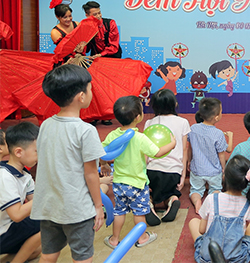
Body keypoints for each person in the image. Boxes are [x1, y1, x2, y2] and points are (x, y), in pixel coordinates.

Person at [32, 64, 106, 263]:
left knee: (48, 255)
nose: (91, 92)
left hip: (48, 206)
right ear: (81, 97)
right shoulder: (86, 131)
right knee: (82, 257)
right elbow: (91, 173)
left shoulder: (46, 125)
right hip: (77, 209)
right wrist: (98, 206)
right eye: (90, 89)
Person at [100, 96, 176, 249]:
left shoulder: (112, 135)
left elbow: (102, 151)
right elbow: (157, 152)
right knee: (139, 212)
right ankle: (142, 237)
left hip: (119, 183)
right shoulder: (140, 138)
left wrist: (104, 165)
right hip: (138, 184)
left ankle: (114, 239)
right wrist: (172, 144)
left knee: (119, 211)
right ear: (138, 117)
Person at [189, 155, 250, 263]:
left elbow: (201, 230)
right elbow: (248, 226)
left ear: (224, 177)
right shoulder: (248, 204)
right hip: (235, 259)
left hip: (208, 257)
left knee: (193, 222)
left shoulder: (212, 198)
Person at [144, 89, 191, 225]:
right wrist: (183, 175)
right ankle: (172, 200)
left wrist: (144, 175)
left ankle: (149, 203)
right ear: (175, 104)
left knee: (151, 192)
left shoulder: (149, 123)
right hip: (173, 172)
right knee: (171, 192)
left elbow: (145, 151)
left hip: (152, 171)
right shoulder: (183, 122)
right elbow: (184, 149)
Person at [0, 122, 41, 263]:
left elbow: (37, 204)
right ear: (18, 152)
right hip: (3, 231)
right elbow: (17, 215)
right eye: (36, 151)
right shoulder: (4, 176)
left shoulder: (25, 175)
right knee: (46, 224)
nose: (39, 155)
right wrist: (46, 193)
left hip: (9, 228)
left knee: (37, 249)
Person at [188, 98, 234, 213]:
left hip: (197, 169)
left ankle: (197, 202)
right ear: (216, 117)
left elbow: (190, 148)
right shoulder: (218, 134)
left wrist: (189, 161)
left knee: (195, 190)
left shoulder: (193, 129)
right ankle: (212, 203)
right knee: (216, 189)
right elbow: (222, 154)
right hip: (214, 171)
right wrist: (223, 168)